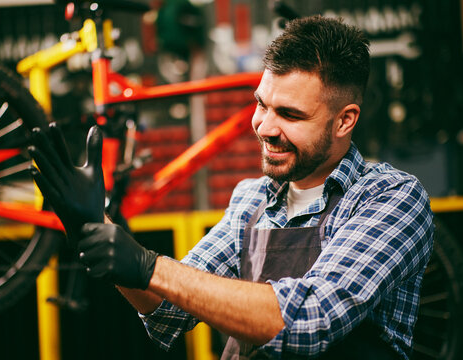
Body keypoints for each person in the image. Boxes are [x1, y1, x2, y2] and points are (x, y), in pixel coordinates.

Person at [29, 15, 434, 360]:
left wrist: (147, 265)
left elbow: (310, 320)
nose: (264, 127)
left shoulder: (390, 198)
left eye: (290, 114)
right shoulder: (252, 199)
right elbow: (169, 309)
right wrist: (96, 228)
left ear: (345, 120)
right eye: (262, 104)